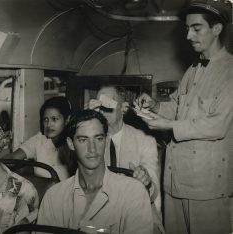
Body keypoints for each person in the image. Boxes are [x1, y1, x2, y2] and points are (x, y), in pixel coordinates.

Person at [136, 1, 233, 233]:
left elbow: (217, 126)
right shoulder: (193, 70)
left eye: (196, 28)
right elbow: (177, 107)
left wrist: (168, 125)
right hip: (174, 182)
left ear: (217, 29)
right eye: (187, 28)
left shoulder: (230, 71)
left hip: (206, 189)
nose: (189, 35)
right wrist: (155, 105)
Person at [37, 109, 153, 234]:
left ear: (107, 140)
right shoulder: (54, 197)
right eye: (83, 140)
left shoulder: (132, 192)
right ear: (71, 144)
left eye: (98, 138)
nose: (92, 149)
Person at [88, 85, 163, 233]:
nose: (102, 106)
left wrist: (146, 181)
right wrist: (88, 122)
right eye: (99, 103)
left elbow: (153, 192)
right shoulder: (90, 141)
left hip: (138, 213)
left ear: (123, 108)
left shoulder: (144, 141)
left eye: (109, 101)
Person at [4, 96, 76, 180]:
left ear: (67, 120)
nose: (49, 124)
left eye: (54, 119)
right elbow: (13, 158)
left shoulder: (74, 142)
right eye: (45, 119)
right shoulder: (38, 140)